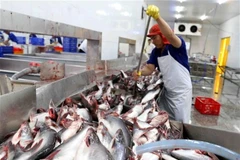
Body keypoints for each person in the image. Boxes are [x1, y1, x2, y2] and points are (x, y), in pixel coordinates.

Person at [132, 5, 192, 123]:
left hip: (182, 92)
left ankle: (182, 140)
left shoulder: (176, 47)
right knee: (164, 118)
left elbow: (170, 35)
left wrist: (157, 17)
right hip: (169, 90)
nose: (153, 41)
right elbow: (149, 68)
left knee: (181, 121)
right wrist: (140, 72)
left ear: (162, 36)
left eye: (155, 38)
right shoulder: (156, 52)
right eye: (151, 39)